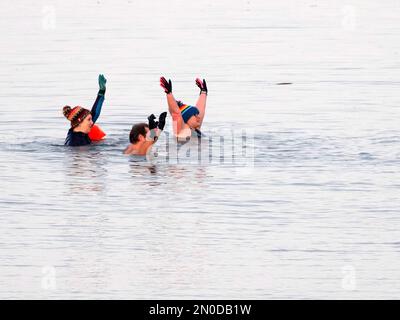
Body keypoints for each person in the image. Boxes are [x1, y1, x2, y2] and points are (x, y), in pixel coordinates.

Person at [62, 74, 107, 146]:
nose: (92, 122)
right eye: (89, 119)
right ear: (79, 121)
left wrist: (102, 91)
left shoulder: (79, 129)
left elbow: (95, 113)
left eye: (91, 119)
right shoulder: (75, 143)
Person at [159, 76, 208, 141]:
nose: (198, 117)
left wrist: (203, 92)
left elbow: (200, 109)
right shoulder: (181, 131)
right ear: (185, 119)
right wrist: (169, 94)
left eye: (197, 114)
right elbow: (176, 113)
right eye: (195, 115)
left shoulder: (195, 128)